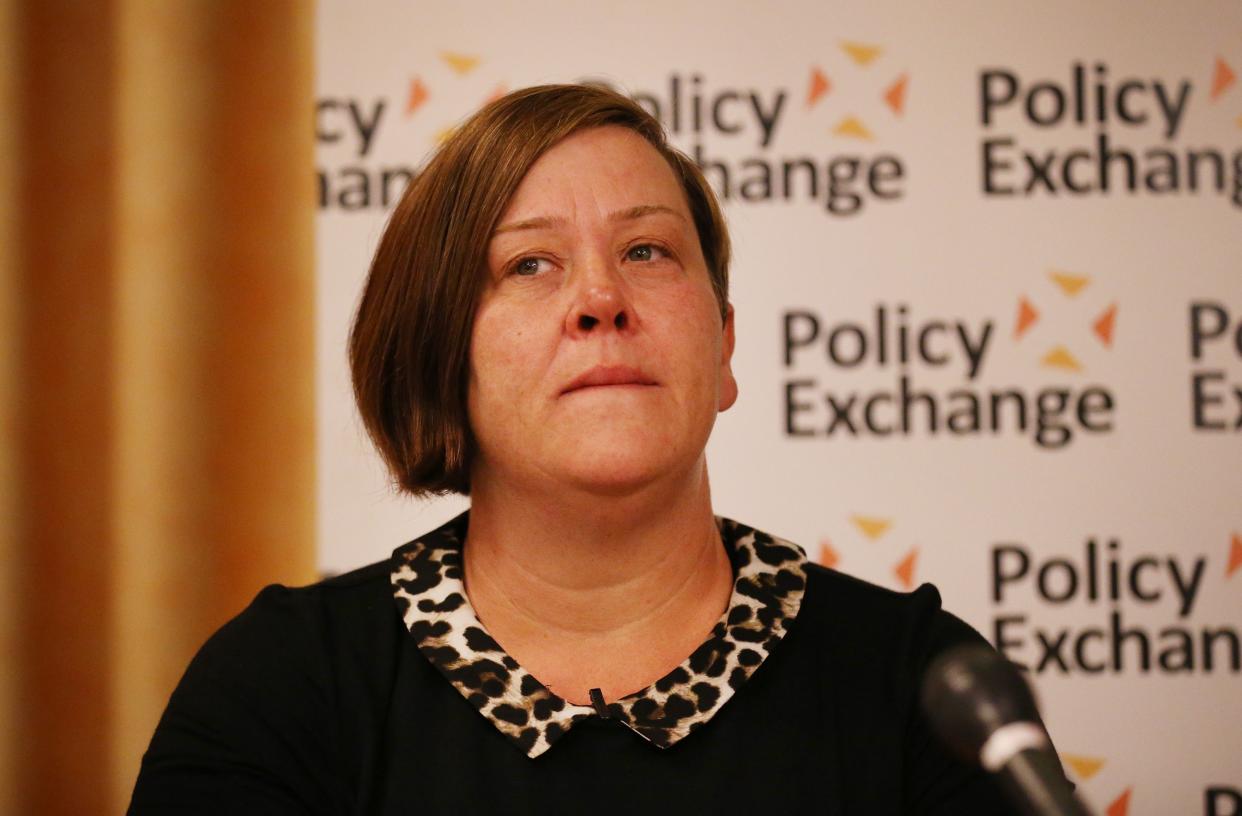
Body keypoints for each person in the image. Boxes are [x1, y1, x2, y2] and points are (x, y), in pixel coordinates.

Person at [130, 84, 1054, 814]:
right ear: (440, 357)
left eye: (648, 251)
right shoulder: (283, 687)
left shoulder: (922, 691)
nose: (601, 298)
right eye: (528, 263)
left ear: (724, 348)